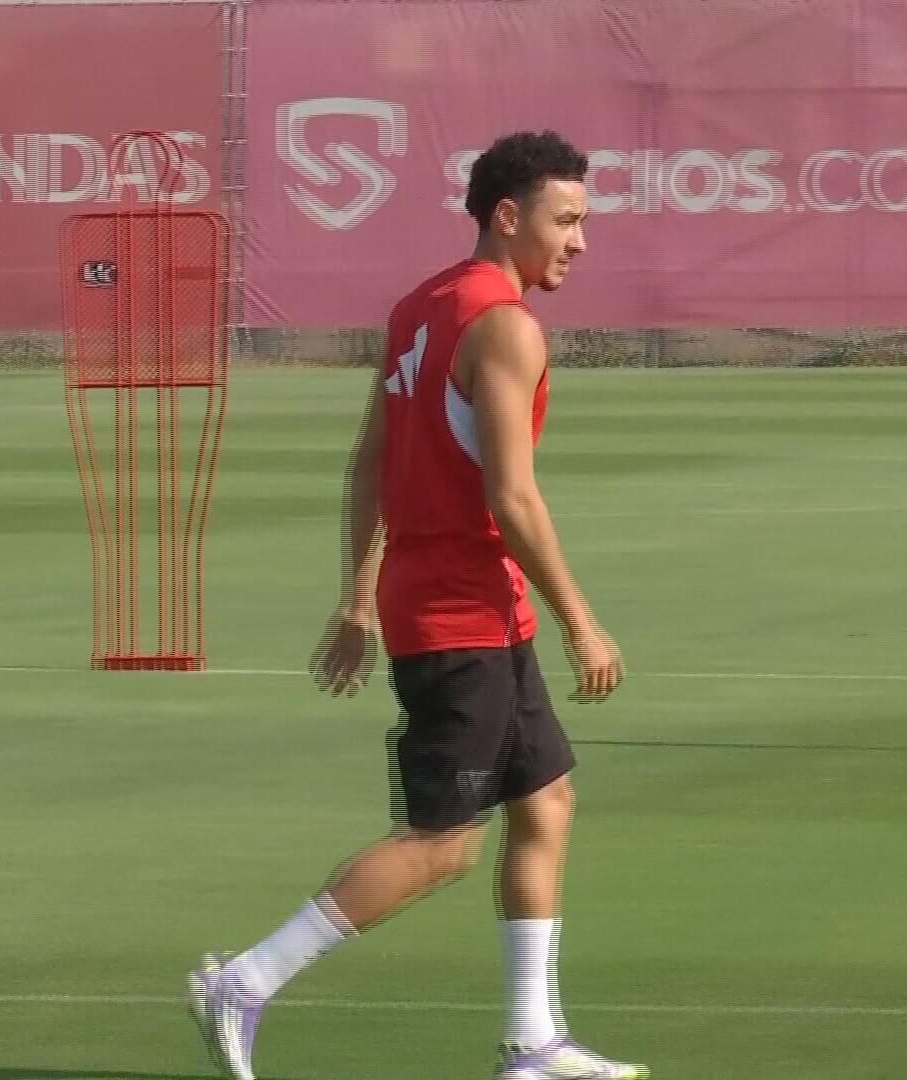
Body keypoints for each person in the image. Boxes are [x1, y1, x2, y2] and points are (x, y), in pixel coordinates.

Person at [188, 129, 642, 1080]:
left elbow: (370, 461)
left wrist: (358, 598)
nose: (580, 242)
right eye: (567, 221)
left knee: (547, 802)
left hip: (464, 607)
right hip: (461, 616)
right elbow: (512, 498)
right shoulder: (506, 327)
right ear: (505, 217)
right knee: (440, 849)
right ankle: (246, 983)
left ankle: (532, 1043)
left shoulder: (420, 306)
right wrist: (582, 621)